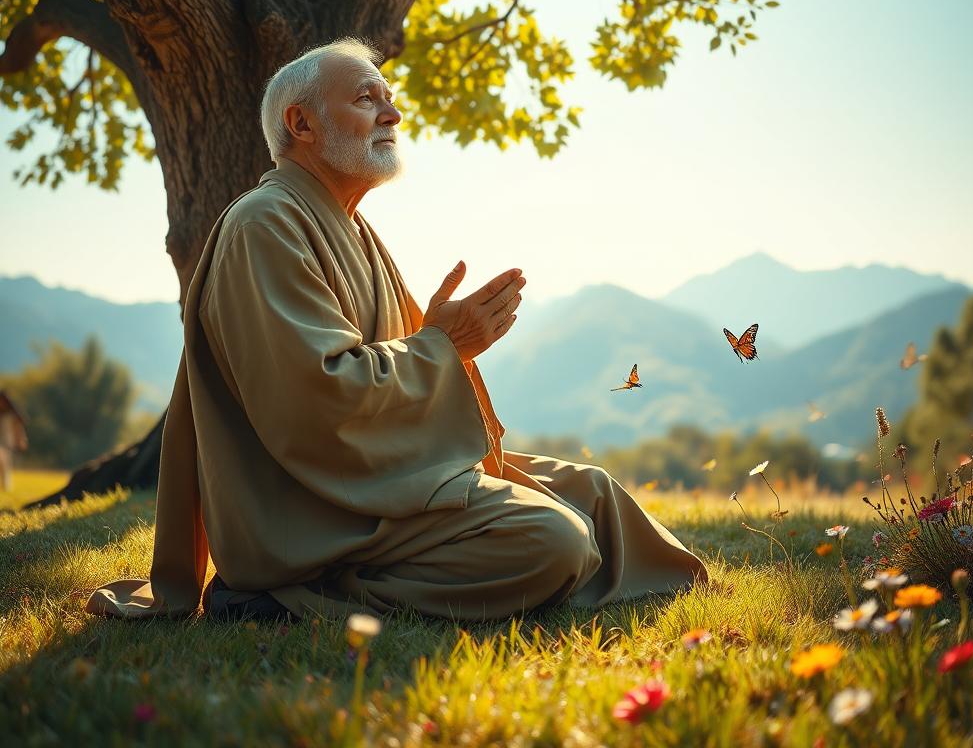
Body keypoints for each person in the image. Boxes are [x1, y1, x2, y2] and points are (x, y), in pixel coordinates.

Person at [85, 37, 708, 623]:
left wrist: (450, 343)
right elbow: (315, 399)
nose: (395, 114)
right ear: (300, 125)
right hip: (314, 511)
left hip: (378, 483)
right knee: (553, 540)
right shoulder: (264, 224)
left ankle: (671, 583)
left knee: (591, 490)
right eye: (366, 99)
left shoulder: (355, 230)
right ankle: (294, 595)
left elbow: (411, 356)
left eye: (388, 97)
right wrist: (444, 345)